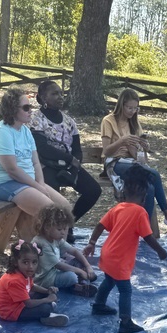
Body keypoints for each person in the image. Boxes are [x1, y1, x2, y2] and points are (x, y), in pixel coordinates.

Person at [83, 167, 167, 333]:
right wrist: (161, 251)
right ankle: (125, 322)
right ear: (144, 197)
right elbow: (148, 237)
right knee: (125, 290)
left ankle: (98, 305)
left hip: (108, 253)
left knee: (108, 281)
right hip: (119, 259)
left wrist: (92, 242)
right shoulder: (140, 212)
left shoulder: (119, 207)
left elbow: (100, 225)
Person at [0, 87, 74, 233]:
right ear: (12, 109)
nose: (30, 110)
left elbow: (36, 162)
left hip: (25, 182)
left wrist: (41, 185)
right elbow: (12, 170)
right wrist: (38, 188)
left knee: (65, 207)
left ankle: (57, 251)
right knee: (52, 212)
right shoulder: (2, 132)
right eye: (26, 107)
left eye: (30, 106)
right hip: (3, 183)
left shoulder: (25, 130)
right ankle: (47, 252)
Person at [100, 88, 167, 233]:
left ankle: (143, 228)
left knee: (149, 188)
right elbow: (106, 151)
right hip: (114, 162)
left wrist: (145, 147)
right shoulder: (108, 121)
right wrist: (122, 141)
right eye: (129, 108)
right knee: (154, 174)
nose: (132, 111)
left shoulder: (134, 123)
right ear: (121, 105)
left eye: (135, 108)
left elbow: (141, 156)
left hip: (132, 162)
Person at [29, 79, 101, 224]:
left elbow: (77, 150)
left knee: (93, 190)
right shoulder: (36, 119)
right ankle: (52, 231)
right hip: (45, 165)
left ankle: (67, 224)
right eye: (55, 93)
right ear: (43, 97)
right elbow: (42, 149)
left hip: (68, 166)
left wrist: (74, 166)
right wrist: (69, 159)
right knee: (53, 199)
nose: (60, 97)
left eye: (61, 93)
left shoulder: (69, 121)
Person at [0, 240, 69, 327]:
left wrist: (47, 291)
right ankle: (46, 317)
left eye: (34, 262)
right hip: (11, 312)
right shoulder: (14, 280)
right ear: (15, 262)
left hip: (20, 303)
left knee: (44, 294)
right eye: (25, 262)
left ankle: (46, 309)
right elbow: (29, 304)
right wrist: (47, 299)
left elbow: (32, 286)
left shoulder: (24, 272)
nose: (31, 266)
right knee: (45, 308)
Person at [31, 205, 97, 296]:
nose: (63, 232)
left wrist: (88, 266)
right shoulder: (41, 243)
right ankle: (76, 285)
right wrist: (80, 271)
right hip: (46, 278)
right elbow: (59, 265)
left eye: (64, 229)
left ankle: (79, 282)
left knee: (79, 260)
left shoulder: (55, 238)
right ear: (47, 227)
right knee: (72, 276)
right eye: (59, 229)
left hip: (55, 271)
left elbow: (74, 251)